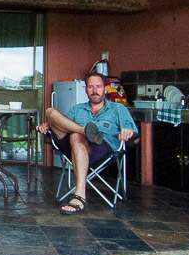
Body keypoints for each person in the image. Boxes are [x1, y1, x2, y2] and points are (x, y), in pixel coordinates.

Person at [37, 71, 137, 215]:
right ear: (85, 90)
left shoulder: (118, 109)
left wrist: (127, 131)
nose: (94, 91)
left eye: (98, 86)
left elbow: (134, 134)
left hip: (101, 147)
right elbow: (62, 123)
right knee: (50, 112)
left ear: (105, 89)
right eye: (90, 87)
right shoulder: (78, 109)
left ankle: (80, 196)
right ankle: (85, 130)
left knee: (75, 136)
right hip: (72, 147)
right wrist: (49, 125)